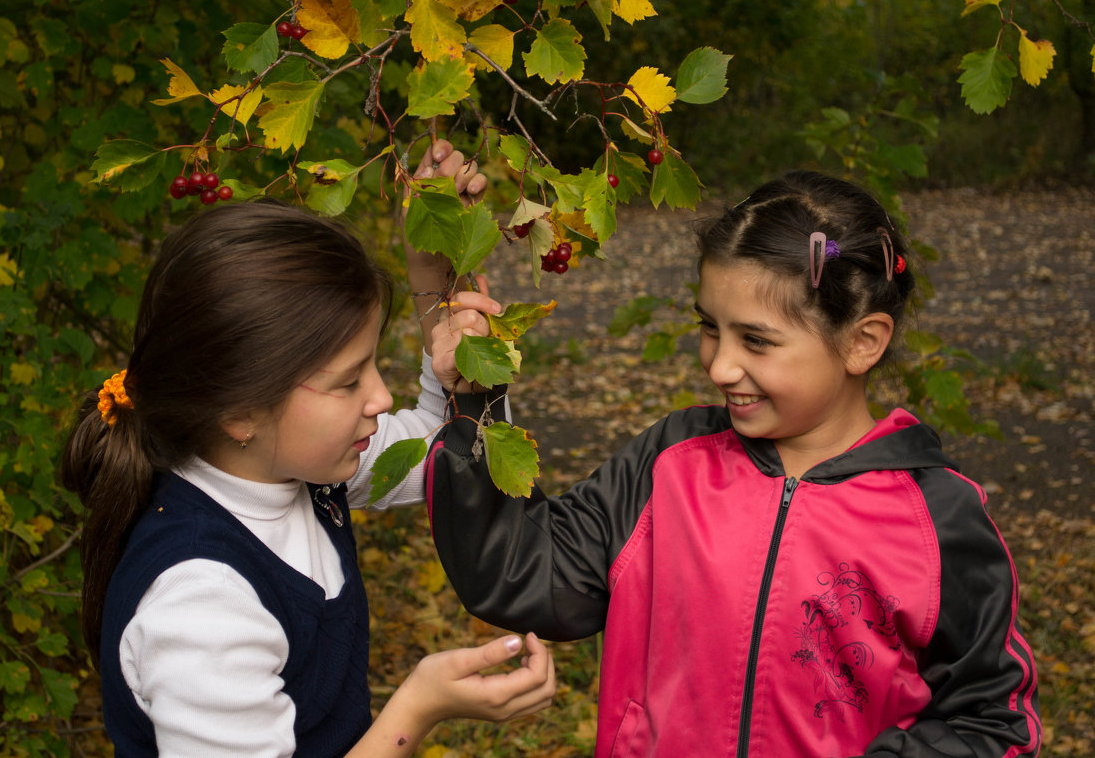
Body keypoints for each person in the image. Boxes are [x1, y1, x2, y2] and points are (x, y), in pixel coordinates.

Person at [425, 170, 1041, 758]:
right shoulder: (670, 465)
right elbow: (519, 571)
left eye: (757, 340)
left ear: (862, 342)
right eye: (709, 328)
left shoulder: (937, 519)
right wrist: (476, 398)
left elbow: (991, 720)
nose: (719, 366)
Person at [61, 141, 555, 757]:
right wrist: (420, 708)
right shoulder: (201, 606)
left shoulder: (290, 470)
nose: (379, 398)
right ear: (239, 410)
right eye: (348, 381)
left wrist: (433, 272)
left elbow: (439, 447)